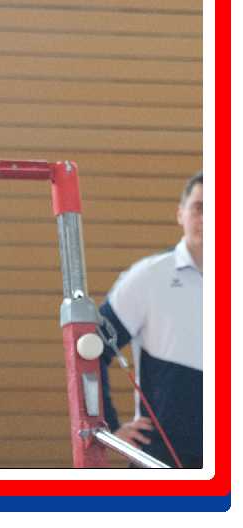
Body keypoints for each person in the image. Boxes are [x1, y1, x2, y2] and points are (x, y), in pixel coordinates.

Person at [98, 171, 203, 468]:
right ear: (180, 214)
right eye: (199, 208)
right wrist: (108, 425)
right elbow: (91, 349)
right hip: (161, 461)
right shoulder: (149, 277)